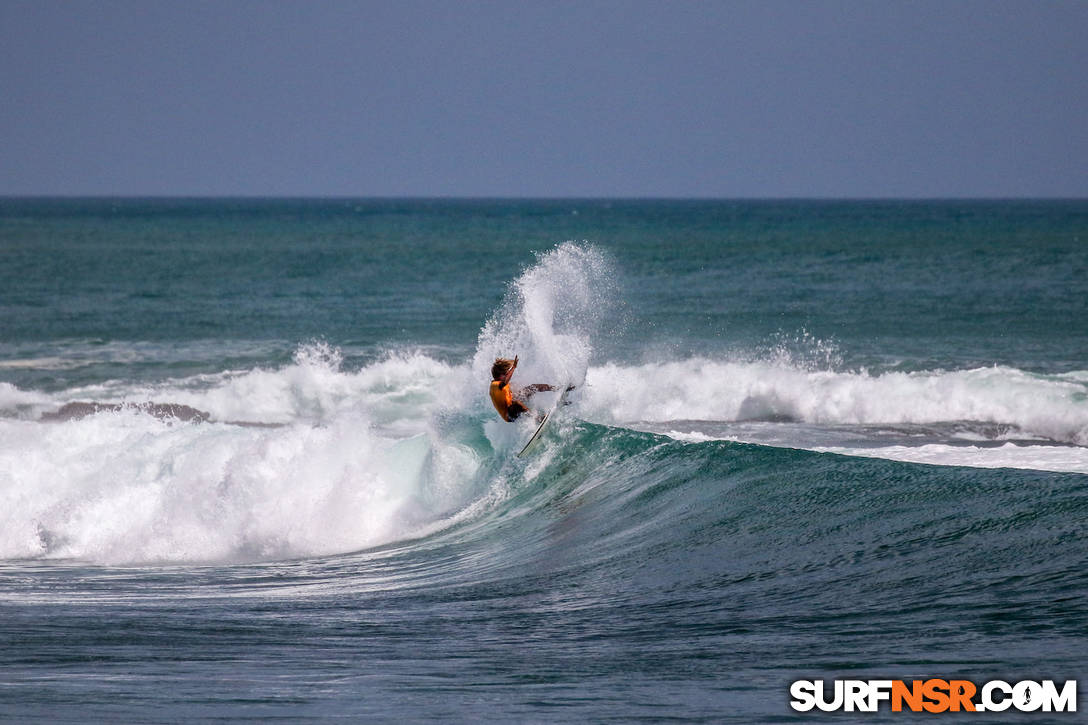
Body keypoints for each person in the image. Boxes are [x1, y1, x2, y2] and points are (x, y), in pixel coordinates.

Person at [489, 355, 563, 422]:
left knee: (532, 388)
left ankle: (556, 388)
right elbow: (504, 383)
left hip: (512, 405)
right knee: (516, 403)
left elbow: (506, 391)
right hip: (509, 416)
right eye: (505, 374)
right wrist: (513, 367)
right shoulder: (495, 385)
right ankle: (538, 418)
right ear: (499, 376)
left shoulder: (498, 384)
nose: (506, 375)